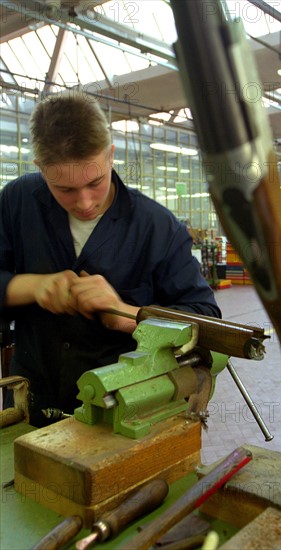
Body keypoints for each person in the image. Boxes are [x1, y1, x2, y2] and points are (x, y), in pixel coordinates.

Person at [0, 92, 221, 427]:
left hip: (123, 409)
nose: (85, 202)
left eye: (95, 182)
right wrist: (33, 286)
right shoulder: (17, 202)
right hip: (31, 402)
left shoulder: (158, 227)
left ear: (110, 155)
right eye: (65, 190)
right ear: (41, 170)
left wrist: (130, 316)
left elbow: (205, 318)